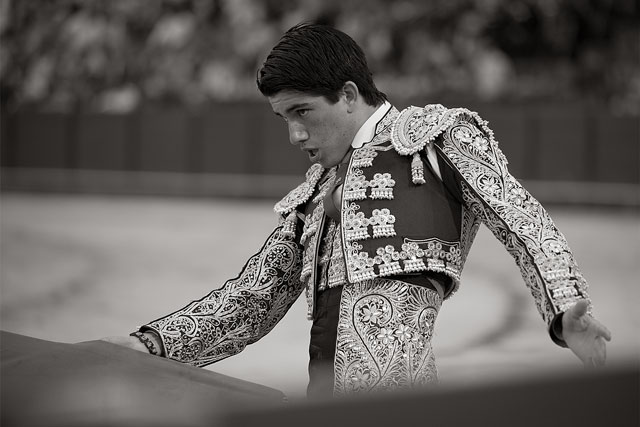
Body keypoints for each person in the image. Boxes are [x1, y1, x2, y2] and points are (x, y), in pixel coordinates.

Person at [106, 23, 611, 398]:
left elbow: (520, 217)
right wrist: (149, 345)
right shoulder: (318, 190)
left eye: (303, 112)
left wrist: (563, 308)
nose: (294, 135)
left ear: (348, 95)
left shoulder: (435, 138)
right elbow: (253, 299)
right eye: (283, 118)